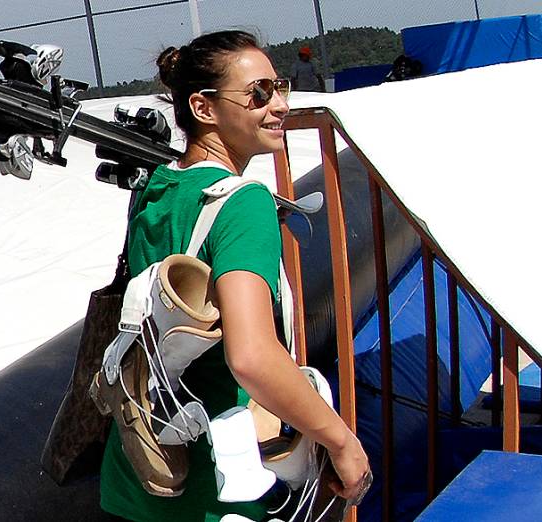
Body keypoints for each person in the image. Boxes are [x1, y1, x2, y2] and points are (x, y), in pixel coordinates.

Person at [98, 30, 369, 521]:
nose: (280, 105)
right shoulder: (244, 204)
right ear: (204, 108)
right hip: (213, 489)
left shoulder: (156, 190)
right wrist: (341, 440)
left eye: (280, 86)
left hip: (137, 479)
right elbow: (250, 357)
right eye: (259, 94)